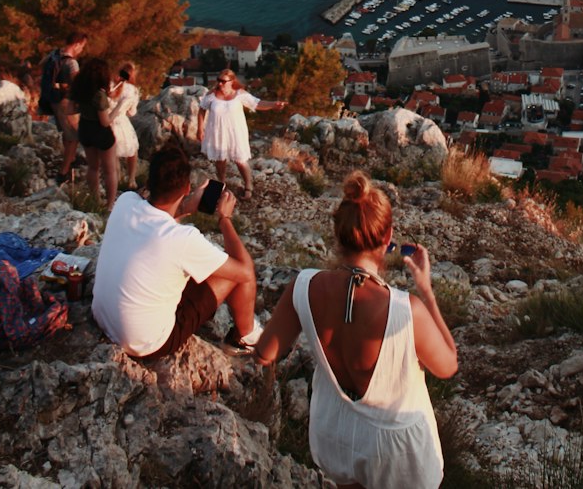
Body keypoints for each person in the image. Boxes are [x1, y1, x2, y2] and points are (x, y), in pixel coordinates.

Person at [255, 171, 456, 489]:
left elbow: (266, 352)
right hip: (397, 455)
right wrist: (426, 292)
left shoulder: (303, 286)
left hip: (334, 434)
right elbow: (448, 366)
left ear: (338, 232)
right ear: (387, 236)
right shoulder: (407, 310)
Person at [92, 141, 261, 358]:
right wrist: (224, 219)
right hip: (145, 343)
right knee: (231, 274)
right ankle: (244, 337)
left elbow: (157, 221)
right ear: (187, 188)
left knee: (190, 265)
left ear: (149, 182)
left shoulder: (125, 201)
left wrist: (184, 208)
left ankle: (244, 335)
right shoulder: (182, 239)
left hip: (103, 318)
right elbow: (245, 271)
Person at [198, 69, 283, 199]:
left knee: (240, 161)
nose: (220, 83)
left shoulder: (239, 94)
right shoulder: (212, 95)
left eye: (223, 81)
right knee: (220, 161)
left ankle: (249, 185)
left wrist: (273, 105)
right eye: (218, 80)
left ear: (232, 81)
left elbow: (257, 103)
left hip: (236, 132)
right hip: (218, 132)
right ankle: (221, 184)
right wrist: (200, 128)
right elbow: (202, 109)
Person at [70, 56, 118, 211]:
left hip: (85, 128)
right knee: (109, 170)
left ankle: (94, 200)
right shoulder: (99, 95)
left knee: (93, 167)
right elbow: (104, 121)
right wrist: (115, 113)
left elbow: (69, 110)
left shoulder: (79, 90)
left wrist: (84, 109)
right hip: (101, 131)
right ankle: (110, 205)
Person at [39, 31, 86, 183]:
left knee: (67, 134)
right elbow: (77, 83)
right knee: (74, 136)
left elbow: (41, 65)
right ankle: (64, 172)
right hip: (65, 102)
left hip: (52, 99)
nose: (82, 50)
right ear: (77, 44)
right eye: (82, 46)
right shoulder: (71, 63)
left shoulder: (55, 54)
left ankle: (69, 161)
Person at [109, 61, 141, 189]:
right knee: (132, 151)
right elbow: (132, 112)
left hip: (108, 121)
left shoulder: (110, 85)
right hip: (122, 122)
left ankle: (115, 182)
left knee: (113, 155)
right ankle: (132, 179)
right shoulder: (133, 90)